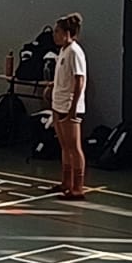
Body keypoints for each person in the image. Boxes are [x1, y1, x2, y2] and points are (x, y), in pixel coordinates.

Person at [51, 12, 88, 200]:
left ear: (67, 32)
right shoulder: (63, 51)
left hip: (69, 106)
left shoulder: (74, 52)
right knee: (64, 146)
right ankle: (66, 182)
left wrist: (73, 108)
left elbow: (79, 80)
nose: (54, 35)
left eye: (57, 31)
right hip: (58, 104)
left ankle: (78, 187)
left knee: (74, 147)